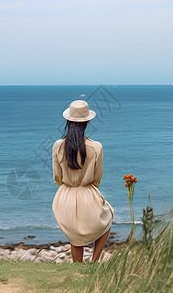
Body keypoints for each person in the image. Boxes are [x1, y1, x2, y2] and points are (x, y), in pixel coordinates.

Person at [52, 100, 115, 263]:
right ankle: (94, 261)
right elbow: (97, 177)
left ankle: (77, 266)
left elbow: (57, 178)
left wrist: (69, 185)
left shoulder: (58, 146)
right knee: (108, 216)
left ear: (68, 121)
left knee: (75, 236)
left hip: (64, 196)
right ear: (87, 122)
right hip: (87, 192)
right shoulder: (96, 147)